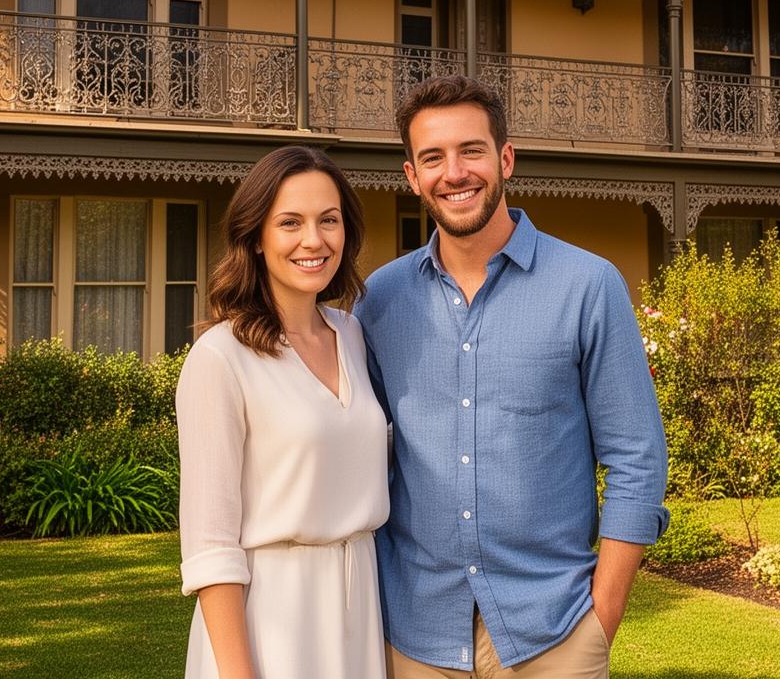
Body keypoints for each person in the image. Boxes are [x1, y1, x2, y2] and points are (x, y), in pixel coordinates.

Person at [361, 75, 669, 678]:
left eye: (471, 150)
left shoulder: (588, 285)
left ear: (505, 158)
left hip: (554, 634)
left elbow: (637, 457)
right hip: (415, 636)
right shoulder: (381, 300)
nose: (454, 172)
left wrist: (600, 621)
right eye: (433, 157)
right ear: (412, 176)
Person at [177, 145, 389, 679]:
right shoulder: (220, 358)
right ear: (255, 237)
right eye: (290, 222)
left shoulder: (353, 335)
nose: (313, 240)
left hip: (360, 604)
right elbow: (209, 543)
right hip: (271, 617)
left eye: (329, 220)